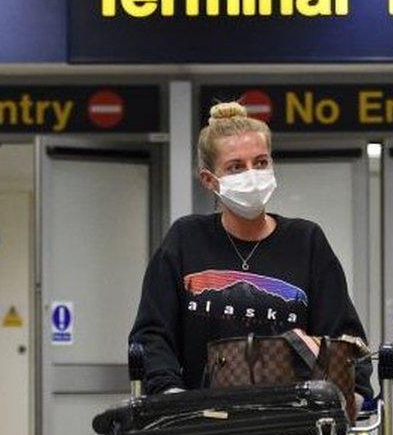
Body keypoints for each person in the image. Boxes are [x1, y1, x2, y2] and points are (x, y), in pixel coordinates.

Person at [129, 101, 372, 404]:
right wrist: (172, 394)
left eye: (260, 163)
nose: (251, 174)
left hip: (293, 425)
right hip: (205, 424)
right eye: (235, 167)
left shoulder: (306, 241)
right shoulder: (186, 239)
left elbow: (343, 335)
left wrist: (352, 393)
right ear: (209, 179)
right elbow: (153, 334)